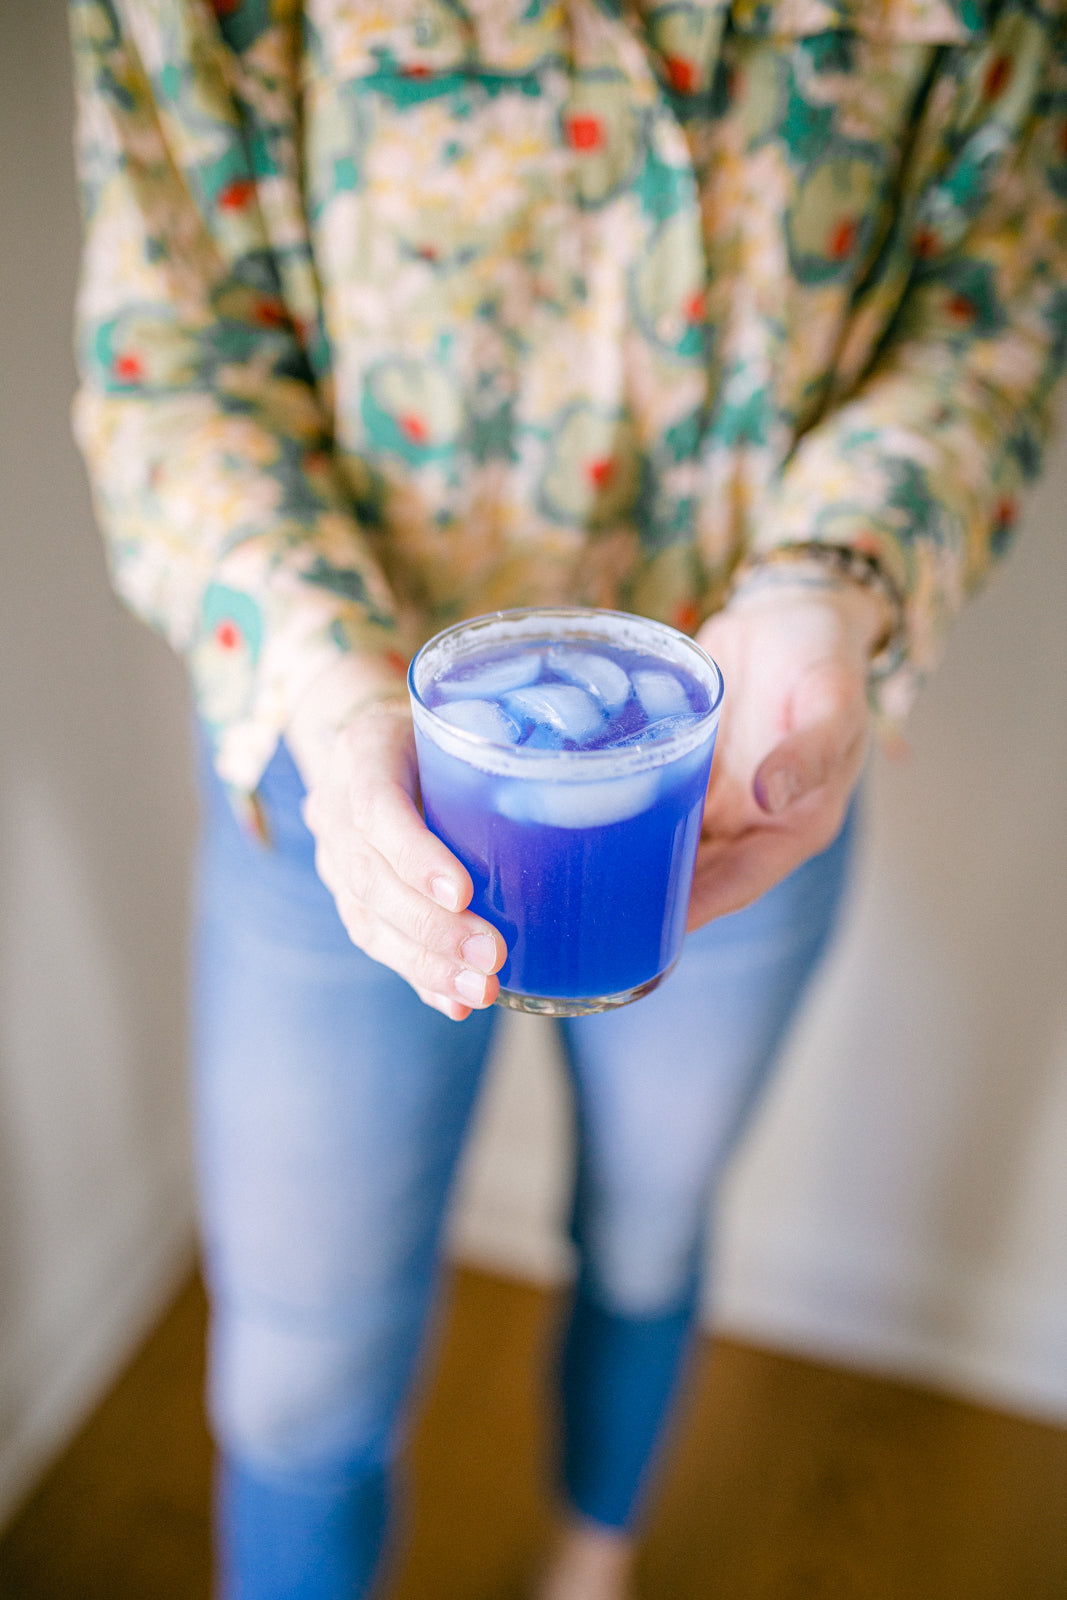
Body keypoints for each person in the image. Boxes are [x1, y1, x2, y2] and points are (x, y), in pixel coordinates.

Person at [69, 1, 1066, 1595]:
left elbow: (992, 305)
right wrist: (332, 692)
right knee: (301, 1367)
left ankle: (588, 1570)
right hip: (332, 770)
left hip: (731, 784)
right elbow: (171, 356)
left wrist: (830, 587)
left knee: (653, 1235)